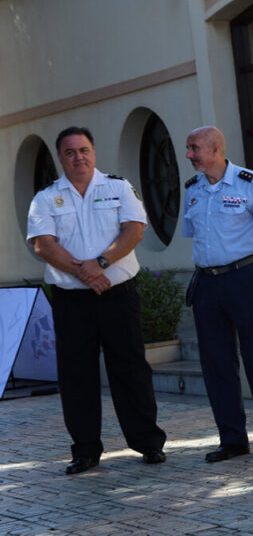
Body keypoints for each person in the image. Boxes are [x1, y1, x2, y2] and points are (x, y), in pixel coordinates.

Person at [27, 126, 166, 474]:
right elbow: (43, 244)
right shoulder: (45, 198)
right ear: (61, 157)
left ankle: (148, 443)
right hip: (72, 300)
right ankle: (86, 450)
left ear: (93, 152)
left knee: (131, 370)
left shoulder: (118, 187)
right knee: (77, 376)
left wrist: (100, 263)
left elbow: (134, 230)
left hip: (118, 295)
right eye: (71, 152)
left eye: (84, 150)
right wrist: (85, 273)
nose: (79, 157)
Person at [182, 126, 253, 463]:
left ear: (214, 149)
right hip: (207, 283)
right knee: (216, 364)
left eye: (194, 148)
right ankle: (232, 438)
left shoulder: (249, 182)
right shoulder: (193, 189)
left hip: (244, 276)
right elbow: (194, 235)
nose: (189, 155)